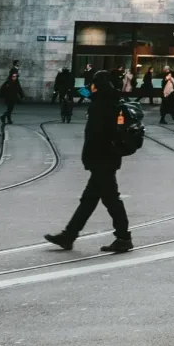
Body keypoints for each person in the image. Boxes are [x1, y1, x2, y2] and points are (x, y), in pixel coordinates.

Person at [44, 69, 133, 255]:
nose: (90, 86)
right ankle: (69, 235)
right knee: (89, 200)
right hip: (107, 158)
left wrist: (89, 158)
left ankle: (124, 238)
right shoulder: (110, 101)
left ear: (97, 85)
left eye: (92, 83)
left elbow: (95, 135)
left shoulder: (100, 106)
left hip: (102, 159)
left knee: (111, 199)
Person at [0, 62, 24, 126]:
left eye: (15, 76)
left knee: (10, 109)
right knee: (10, 109)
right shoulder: (9, 82)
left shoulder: (15, 82)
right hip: (9, 97)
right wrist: (2, 95)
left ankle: (8, 119)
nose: (14, 77)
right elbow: (2, 89)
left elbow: (19, 89)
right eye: (13, 76)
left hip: (13, 97)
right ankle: (4, 117)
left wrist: (22, 95)